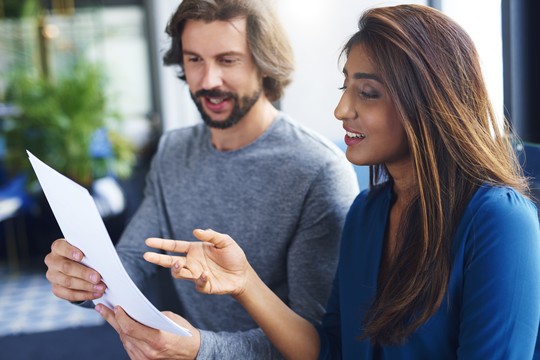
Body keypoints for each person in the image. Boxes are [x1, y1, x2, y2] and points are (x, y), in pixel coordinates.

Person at [143, 4, 540, 359]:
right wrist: (244, 282)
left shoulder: (499, 222)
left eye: (367, 93)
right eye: (344, 86)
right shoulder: (368, 213)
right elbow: (331, 349)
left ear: (430, 104)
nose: (341, 109)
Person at [43, 0, 359, 359]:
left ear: (264, 63)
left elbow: (317, 344)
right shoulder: (174, 151)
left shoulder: (318, 171)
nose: (208, 81)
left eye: (227, 60)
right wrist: (83, 279)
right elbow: (133, 259)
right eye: (194, 59)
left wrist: (200, 350)